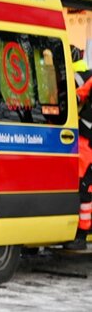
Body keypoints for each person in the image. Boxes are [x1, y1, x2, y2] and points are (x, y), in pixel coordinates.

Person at [66, 45, 92, 249]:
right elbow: (77, 95)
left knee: (85, 187)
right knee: (81, 185)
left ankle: (82, 235)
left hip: (87, 144)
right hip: (84, 141)